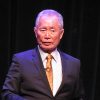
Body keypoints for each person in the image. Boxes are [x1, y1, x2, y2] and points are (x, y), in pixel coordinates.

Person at [1, 9, 85, 100]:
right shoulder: (21, 60)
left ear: (61, 34)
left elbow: (78, 97)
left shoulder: (73, 64)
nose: (47, 36)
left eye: (53, 30)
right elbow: (7, 92)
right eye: (43, 30)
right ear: (35, 32)